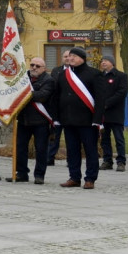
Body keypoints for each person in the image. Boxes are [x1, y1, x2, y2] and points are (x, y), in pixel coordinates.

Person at [52, 47, 106, 189]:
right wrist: (57, 117)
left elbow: (100, 99)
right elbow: (57, 97)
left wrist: (97, 120)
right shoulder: (63, 75)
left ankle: (90, 179)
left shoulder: (94, 74)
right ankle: (74, 177)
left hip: (88, 121)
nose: (71, 59)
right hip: (68, 120)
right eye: (69, 56)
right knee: (72, 150)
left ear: (82, 58)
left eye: (74, 56)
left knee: (90, 150)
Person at [7, 57, 54, 184]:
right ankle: (21, 173)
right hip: (23, 119)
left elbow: (42, 96)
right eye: (32, 65)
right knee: (20, 148)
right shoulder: (22, 78)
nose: (34, 67)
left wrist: (24, 92)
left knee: (41, 149)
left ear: (43, 68)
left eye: (38, 66)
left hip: (41, 121)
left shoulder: (48, 80)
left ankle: (39, 175)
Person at [98, 55, 127, 172]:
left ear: (112, 63)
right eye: (102, 61)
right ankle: (107, 160)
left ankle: (121, 162)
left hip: (115, 112)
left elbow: (121, 92)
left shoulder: (121, 76)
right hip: (103, 114)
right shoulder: (100, 77)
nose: (103, 63)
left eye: (106, 61)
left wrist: (107, 103)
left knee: (119, 138)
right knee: (105, 138)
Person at [47, 50, 70, 165]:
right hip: (56, 109)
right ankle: (50, 158)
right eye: (65, 56)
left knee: (70, 137)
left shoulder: (76, 71)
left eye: (69, 56)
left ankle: (71, 159)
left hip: (71, 110)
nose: (67, 58)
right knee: (54, 136)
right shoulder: (56, 71)